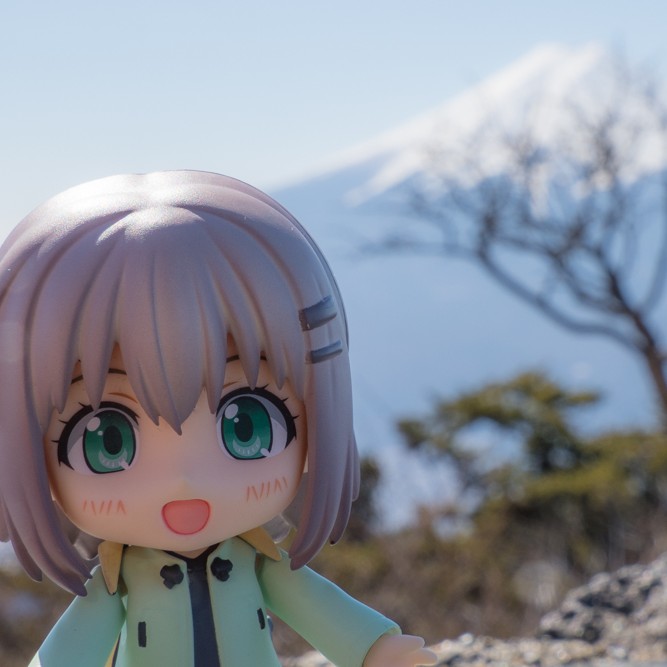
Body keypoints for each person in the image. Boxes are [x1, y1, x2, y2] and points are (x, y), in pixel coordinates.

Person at [0, 171, 437, 667]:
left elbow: (320, 609)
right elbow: (72, 649)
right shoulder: (119, 580)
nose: (184, 479)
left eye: (245, 425)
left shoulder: (257, 561)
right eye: (108, 442)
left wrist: (376, 650)